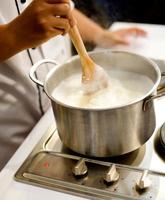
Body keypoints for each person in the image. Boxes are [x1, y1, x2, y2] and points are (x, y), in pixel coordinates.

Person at [0, 0, 146, 170]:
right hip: (9, 140)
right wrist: (13, 35)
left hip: (58, 114)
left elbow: (61, 9)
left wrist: (100, 35)